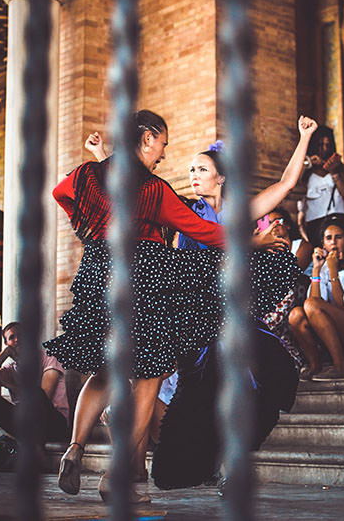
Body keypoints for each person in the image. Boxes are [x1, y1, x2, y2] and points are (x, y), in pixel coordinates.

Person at [44, 110, 317, 501]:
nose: (169, 158)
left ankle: (77, 448)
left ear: (221, 177)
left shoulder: (91, 176)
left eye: (200, 167)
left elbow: (73, 193)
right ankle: (123, 476)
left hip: (103, 273)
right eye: (164, 145)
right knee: (147, 378)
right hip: (154, 282)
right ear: (148, 137)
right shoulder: (160, 193)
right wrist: (253, 244)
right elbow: (203, 233)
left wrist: (87, 224)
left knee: (109, 369)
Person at [289, 216, 344, 381]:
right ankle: (315, 366)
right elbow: (311, 306)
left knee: (312, 305)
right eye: (328, 238)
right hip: (332, 331)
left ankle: (341, 367)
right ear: (323, 244)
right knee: (296, 314)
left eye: (338, 237)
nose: (333, 242)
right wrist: (316, 271)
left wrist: (333, 272)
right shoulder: (326, 266)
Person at [0, 322, 69, 452]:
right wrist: (3, 354)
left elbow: (44, 395)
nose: (17, 339)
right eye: (12, 337)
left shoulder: (49, 357)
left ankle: (36, 452)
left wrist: (11, 385)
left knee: (36, 394)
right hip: (26, 425)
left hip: (54, 423)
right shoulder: (10, 369)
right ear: (7, 344)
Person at [297, 126, 344, 248]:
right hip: (315, 220)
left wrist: (334, 173)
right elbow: (294, 188)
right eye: (320, 144)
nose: (324, 149)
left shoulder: (338, 166)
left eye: (327, 145)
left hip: (338, 216)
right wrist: (308, 163)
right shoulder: (305, 167)